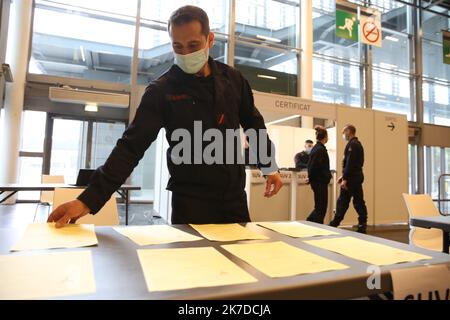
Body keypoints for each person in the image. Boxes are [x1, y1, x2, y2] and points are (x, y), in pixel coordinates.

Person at [48, 5, 283, 228]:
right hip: (190, 204)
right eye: (178, 47)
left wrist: (269, 166)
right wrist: (88, 200)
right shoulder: (161, 90)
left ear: (210, 40)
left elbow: (253, 123)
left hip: (234, 200)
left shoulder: (233, 80)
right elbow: (130, 147)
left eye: (193, 45)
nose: (186, 53)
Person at [330, 124, 368, 234]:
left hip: (351, 179)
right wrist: (343, 176)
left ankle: (335, 223)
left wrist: (345, 179)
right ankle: (362, 224)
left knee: (343, 202)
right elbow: (352, 164)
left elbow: (350, 163)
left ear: (349, 132)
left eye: (344, 132)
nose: (343, 135)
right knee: (358, 201)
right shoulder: (356, 144)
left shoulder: (353, 145)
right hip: (355, 177)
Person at [306, 127, 332, 224]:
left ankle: (310, 223)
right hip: (319, 182)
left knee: (319, 207)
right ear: (325, 137)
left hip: (318, 181)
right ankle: (313, 224)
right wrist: (311, 178)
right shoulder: (320, 150)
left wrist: (310, 178)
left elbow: (312, 166)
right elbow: (314, 166)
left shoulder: (317, 149)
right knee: (321, 207)